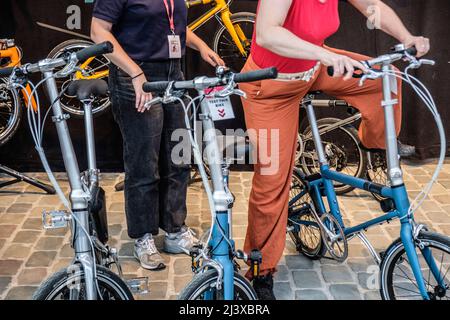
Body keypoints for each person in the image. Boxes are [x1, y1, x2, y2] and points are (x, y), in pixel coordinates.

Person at [239, 0, 430, 299]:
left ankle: (376, 153)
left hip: (313, 70)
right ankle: (260, 270)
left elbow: (373, 8)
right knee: (272, 184)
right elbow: (266, 34)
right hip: (270, 88)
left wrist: (407, 38)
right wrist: (323, 53)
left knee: (386, 76)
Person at [90, 0, 224, 270]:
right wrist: (136, 73)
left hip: (173, 73)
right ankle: (144, 236)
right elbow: (98, 31)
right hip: (136, 74)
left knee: (178, 156)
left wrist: (201, 46)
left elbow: (173, 27)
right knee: (144, 163)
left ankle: (175, 231)